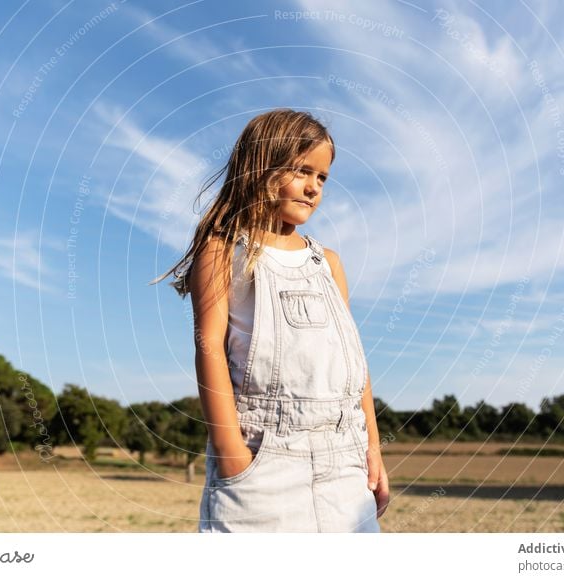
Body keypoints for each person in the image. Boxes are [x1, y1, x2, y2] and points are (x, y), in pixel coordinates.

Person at [151, 108, 389, 532]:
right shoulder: (222, 251)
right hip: (262, 459)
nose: (314, 188)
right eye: (302, 171)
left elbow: (353, 360)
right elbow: (208, 348)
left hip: (345, 462)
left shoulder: (328, 263)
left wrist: (373, 447)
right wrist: (232, 457)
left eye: (323, 178)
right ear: (262, 167)